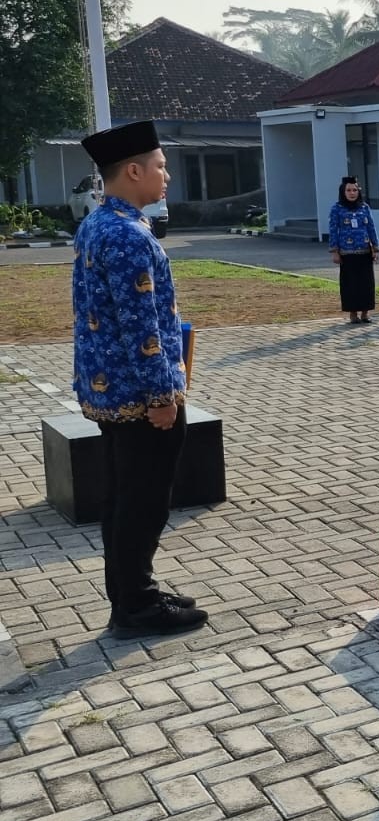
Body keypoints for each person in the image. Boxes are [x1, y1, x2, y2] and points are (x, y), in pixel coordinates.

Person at [73, 119, 207, 639]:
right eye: (160, 166)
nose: (166, 175)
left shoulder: (98, 222)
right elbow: (141, 327)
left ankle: (132, 594)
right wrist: (161, 397)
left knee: (123, 497)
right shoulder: (127, 235)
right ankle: (138, 606)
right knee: (144, 501)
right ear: (132, 171)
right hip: (138, 397)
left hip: (109, 390)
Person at [328, 176, 379, 324]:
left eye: (355, 190)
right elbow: (333, 230)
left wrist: (376, 248)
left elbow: (371, 228)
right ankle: (353, 314)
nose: (352, 193)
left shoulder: (364, 207)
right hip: (347, 253)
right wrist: (334, 251)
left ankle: (365, 313)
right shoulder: (337, 209)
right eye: (349, 190)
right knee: (350, 284)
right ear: (343, 192)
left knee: (366, 283)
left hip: (365, 252)